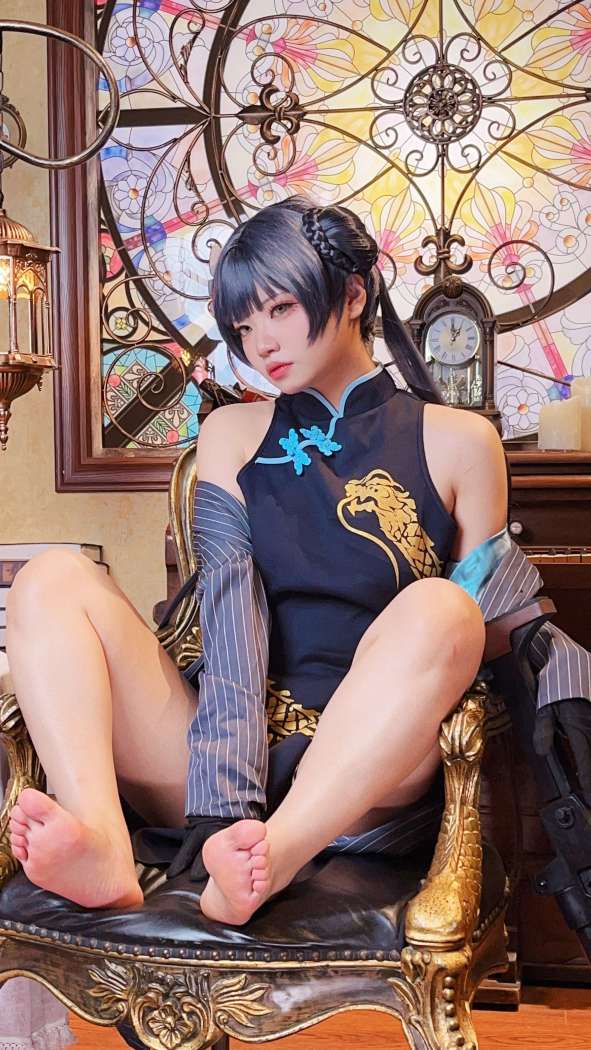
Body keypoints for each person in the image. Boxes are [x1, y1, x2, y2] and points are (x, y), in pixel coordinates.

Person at [5, 197, 589, 929]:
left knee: (444, 607)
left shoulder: (460, 441)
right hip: (215, 754)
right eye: (243, 327)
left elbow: (484, 636)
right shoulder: (231, 432)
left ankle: (270, 858)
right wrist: (225, 806)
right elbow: (229, 612)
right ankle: (102, 843)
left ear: (353, 294)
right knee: (52, 576)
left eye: (279, 309)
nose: (262, 344)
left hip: (363, 769)